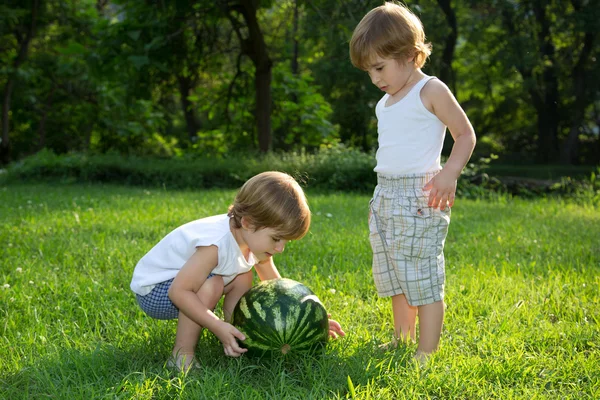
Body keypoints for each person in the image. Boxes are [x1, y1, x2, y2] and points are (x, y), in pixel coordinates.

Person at [349, 2, 476, 362]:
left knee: (421, 275)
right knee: (393, 273)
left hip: (420, 196)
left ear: (409, 55)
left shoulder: (430, 90)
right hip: (385, 194)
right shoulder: (385, 102)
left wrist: (449, 172)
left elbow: (465, 134)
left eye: (379, 67)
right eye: (368, 71)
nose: (375, 78)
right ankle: (402, 339)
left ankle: (427, 350)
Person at [130, 171, 345, 370]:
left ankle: (239, 336)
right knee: (213, 284)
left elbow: (278, 290)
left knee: (243, 273)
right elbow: (179, 292)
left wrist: (310, 322)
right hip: (155, 291)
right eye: (276, 238)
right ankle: (181, 354)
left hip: (179, 286)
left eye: (286, 241)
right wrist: (215, 325)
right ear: (249, 223)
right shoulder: (215, 245)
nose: (280, 248)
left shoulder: (250, 240)